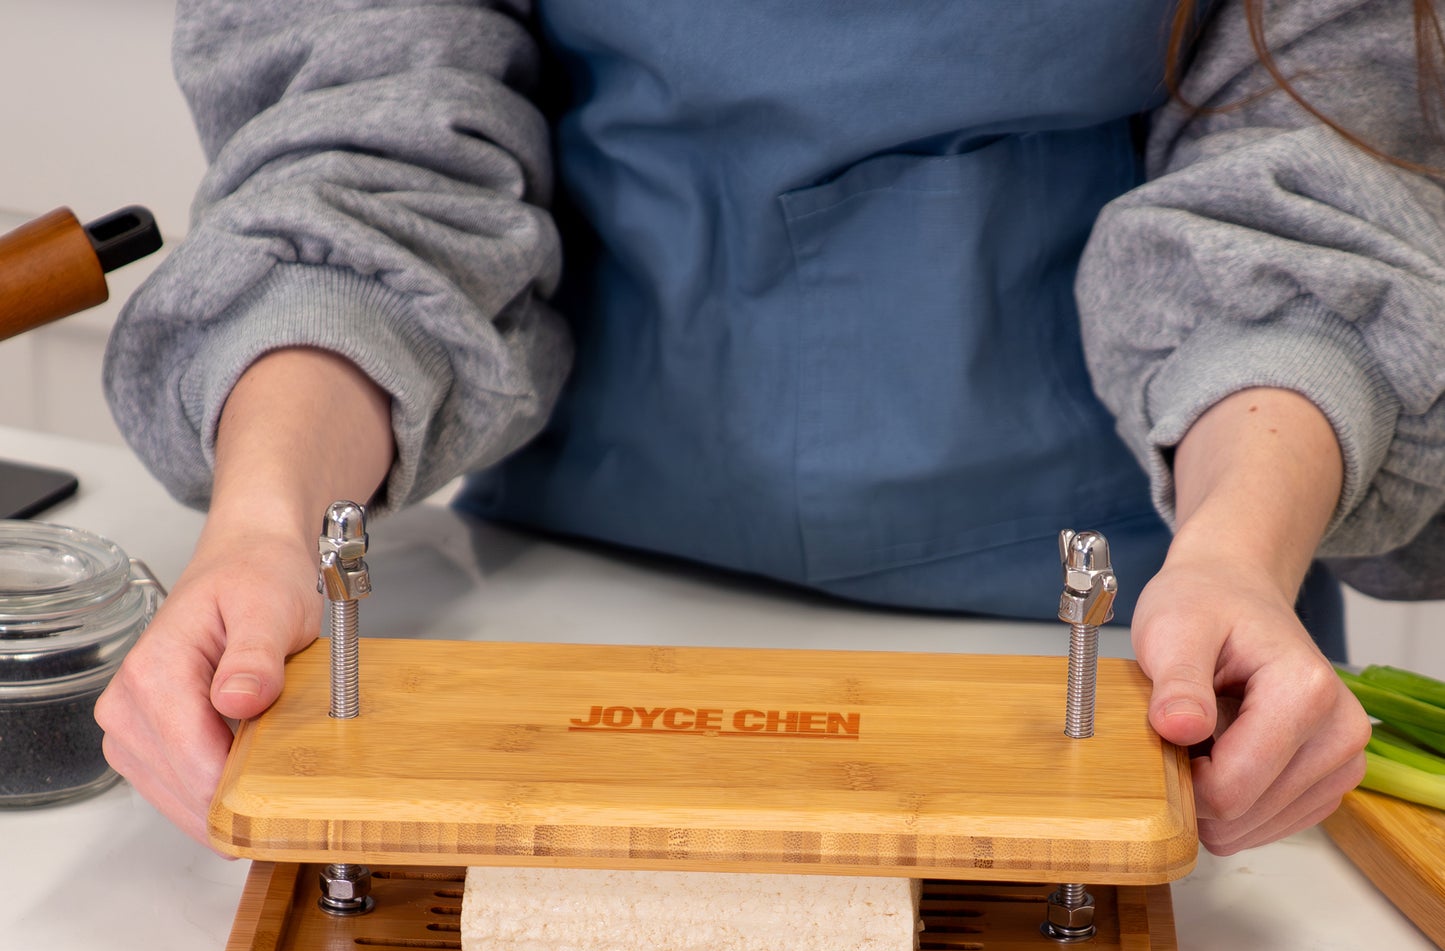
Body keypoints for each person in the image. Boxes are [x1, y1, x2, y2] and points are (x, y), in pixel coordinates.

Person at [96, 0, 1444, 858]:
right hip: (559, 614)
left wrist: (1235, 554)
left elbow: (1311, 183)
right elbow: (367, 150)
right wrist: (264, 521)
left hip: (1127, 639)